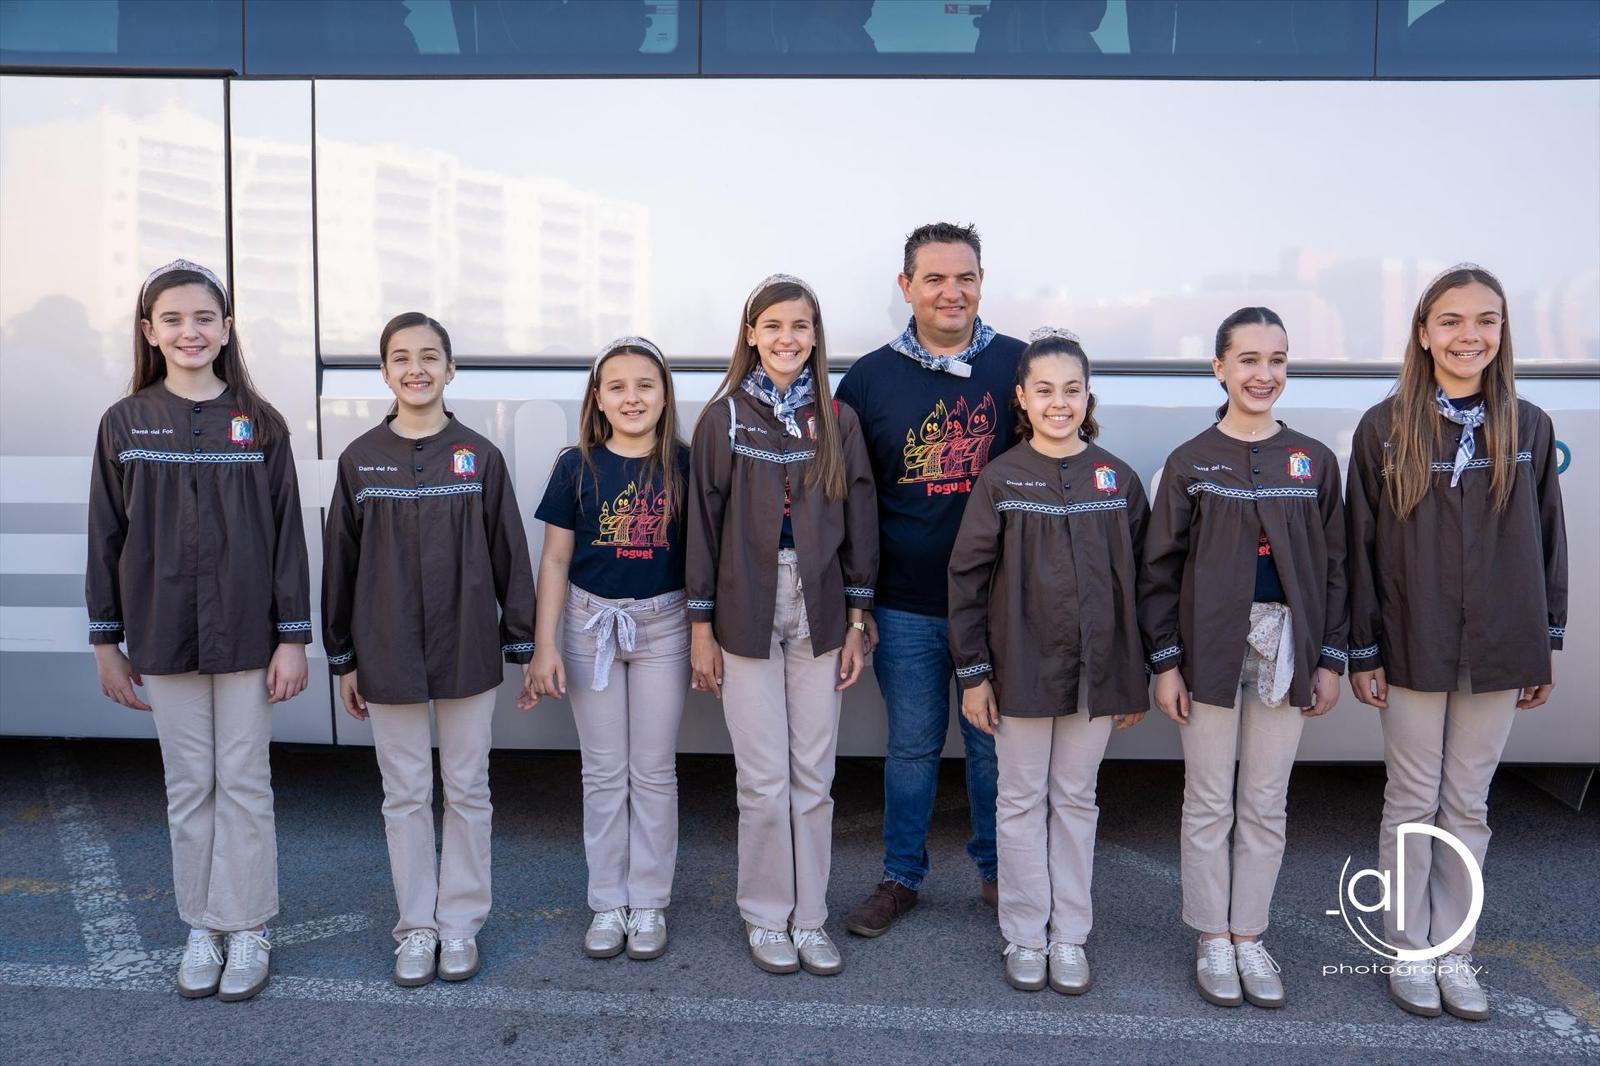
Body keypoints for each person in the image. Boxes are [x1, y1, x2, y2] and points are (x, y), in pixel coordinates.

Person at [1346, 264, 1566, 1021]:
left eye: (1486, 320)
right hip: (1414, 640)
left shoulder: (1527, 424)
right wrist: (1363, 648)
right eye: (1451, 320)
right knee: (1412, 799)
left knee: (1467, 802)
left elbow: (1547, 540)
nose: (1469, 335)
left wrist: (1544, 640)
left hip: (1501, 644)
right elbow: (1362, 543)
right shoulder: (1385, 426)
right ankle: (1408, 950)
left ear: (1502, 333)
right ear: (1422, 332)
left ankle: (1454, 954)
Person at [87, 258, 311, 1002]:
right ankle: (202, 927)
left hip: (248, 634)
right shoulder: (124, 423)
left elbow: (286, 539)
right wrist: (106, 642)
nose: (190, 331)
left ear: (226, 328)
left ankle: (247, 926)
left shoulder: (260, 423)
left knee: (244, 780)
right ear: (149, 331)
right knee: (189, 785)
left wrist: (292, 637)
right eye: (173, 318)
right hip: (161, 631)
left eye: (204, 317)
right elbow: (105, 538)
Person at [322, 312, 537, 988]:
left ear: (451, 368)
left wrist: (523, 646)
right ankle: (417, 928)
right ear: (384, 371)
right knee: (406, 793)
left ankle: (461, 924)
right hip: (384, 652)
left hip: (467, 647)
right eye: (400, 357)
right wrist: (342, 656)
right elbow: (340, 564)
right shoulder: (359, 460)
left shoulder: (479, 456)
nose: (415, 368)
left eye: (429, 356)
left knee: (469, 788)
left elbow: (512, 557)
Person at [1140, 307, 1346, 1010]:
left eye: (1278, 360)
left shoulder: (1313, 460)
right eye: (1249, 360)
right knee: (1207, 801)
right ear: (1219, 368)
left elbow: (1337, 565)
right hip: (1210, 650)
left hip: (1289, 647)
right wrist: (1166, 663)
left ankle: (1249, 934)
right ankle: (1211, 935)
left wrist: (1329, 660)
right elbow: (1159, 571)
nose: (1265, 374)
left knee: (1264, 801)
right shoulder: (1192, 461)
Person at [835, 222, 1026, 937]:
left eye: (966, 276)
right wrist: (858, 608)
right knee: (912, 747)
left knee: (991, 745)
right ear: (906, 286)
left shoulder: (1018, 367)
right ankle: (900, 876)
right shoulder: (867, 379)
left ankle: (1000, 875)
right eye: (936, 278)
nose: (953, 291)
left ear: (981, 281)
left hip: (998, 604)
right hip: (906, 604)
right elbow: (851, 500)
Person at [686, 274, 877, 975]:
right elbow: (702, 530)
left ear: (815, 335)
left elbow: (861, 520)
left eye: (800, 326)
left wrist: (859, 618)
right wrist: (700, 627)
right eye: (773, 326)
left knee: (814, 778)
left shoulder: (836, 417)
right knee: (763, 779)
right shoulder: (725, 418)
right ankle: (766, 917)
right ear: (750, 334)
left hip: (821, 608)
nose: (787, 339)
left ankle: (811, 917)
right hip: (744, 607)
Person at [947, 328, 1148, 995]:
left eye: (1071, 389)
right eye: (1044, 390)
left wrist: (1131, 676)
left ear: (1088, 395)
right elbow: (968, 579)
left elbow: (1144, 585)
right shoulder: (1002, 478)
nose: (1058, 402)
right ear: (1022, 398)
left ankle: (1071, 937)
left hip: (1097, 675)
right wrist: (974, 674)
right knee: (1020, 799)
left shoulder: (1115, 479)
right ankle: (1025, 934)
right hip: (1019, 670)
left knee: (1076, 799)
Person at [530, 336, 691, 962]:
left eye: (645, 385)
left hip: (664, 627)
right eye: (618, 386)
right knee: (603, 773)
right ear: (598, 398)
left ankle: (648, 902)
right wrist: (545, 646)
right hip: (589, 625)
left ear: (664, 396)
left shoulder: (683, 464)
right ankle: (607, 903)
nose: (632, 397)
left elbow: (703, 557)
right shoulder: (577, 465)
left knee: (651, 772)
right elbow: (555, 559)